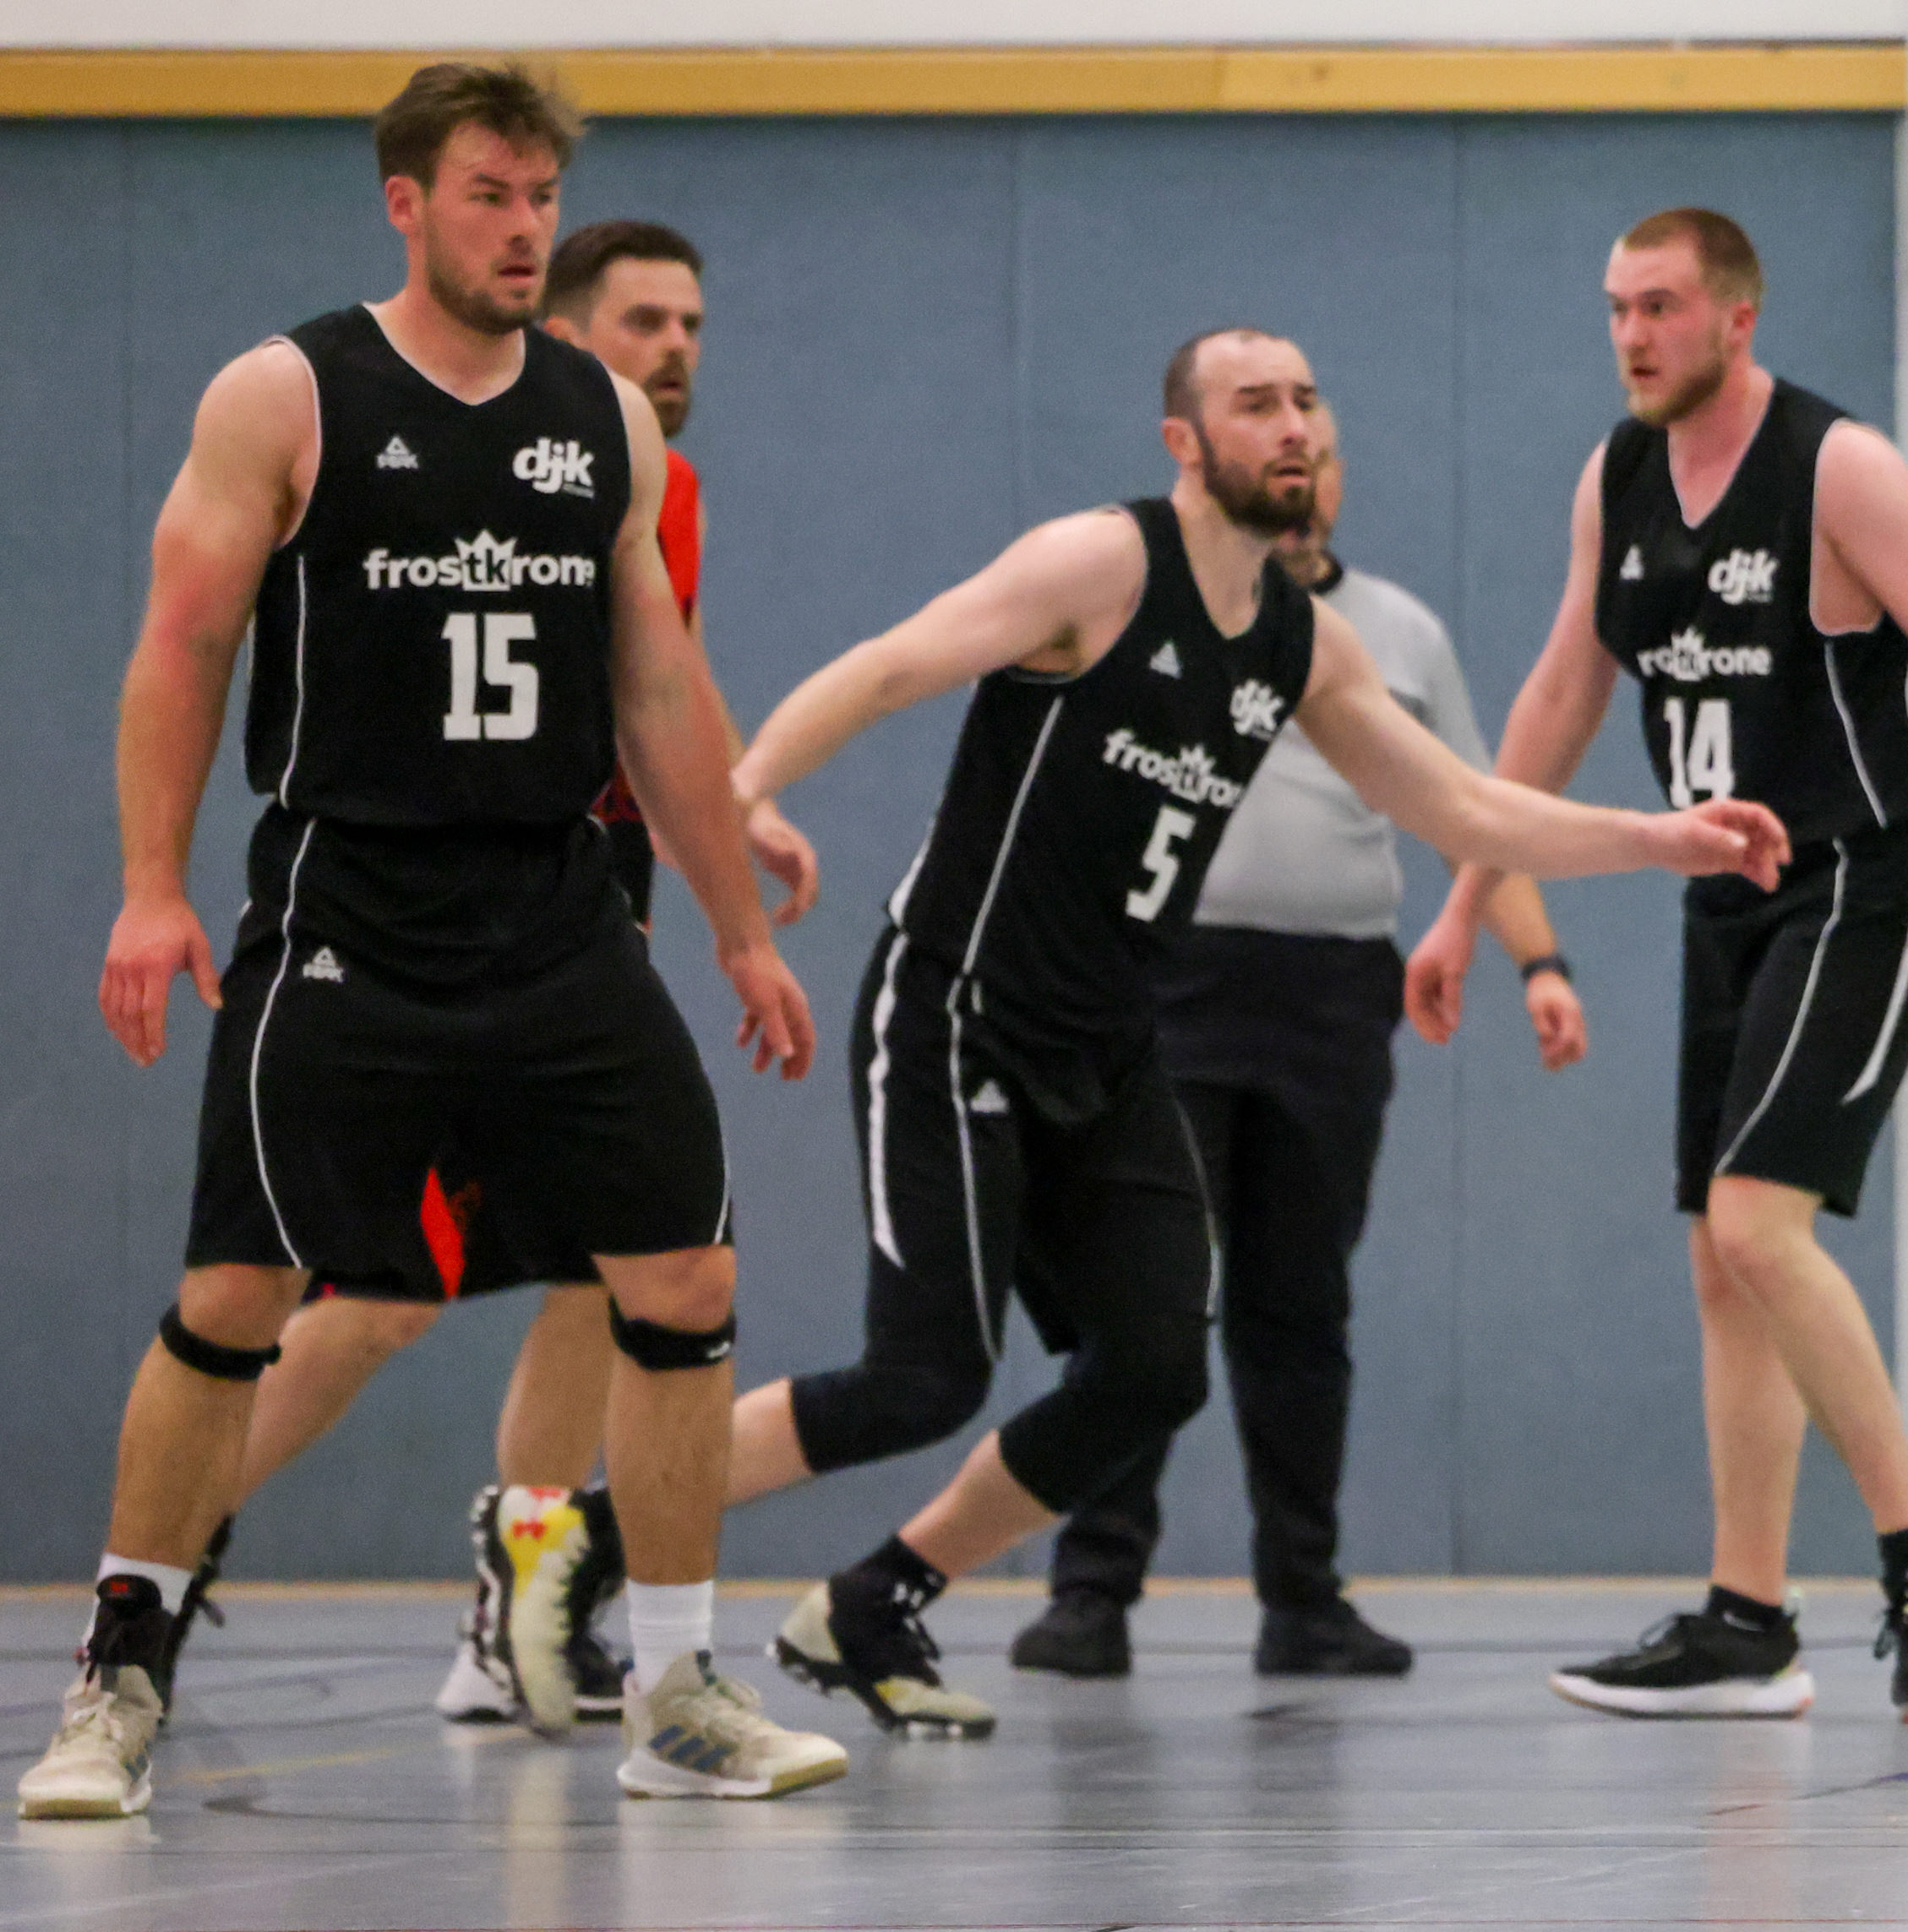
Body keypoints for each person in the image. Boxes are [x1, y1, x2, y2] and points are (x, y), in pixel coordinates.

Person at [709, 325, 1784, 1741]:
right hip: (962, 1011)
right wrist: (751, 788)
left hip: (1111, 1045)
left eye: (1306, 402)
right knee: (922, 1379)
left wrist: (1657, 837)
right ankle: (582, 1529)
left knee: (1153, 1369)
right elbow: (888, 668)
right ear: (1184, 441)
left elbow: (1462, 807)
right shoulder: (1098, 564)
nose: (1292, 426)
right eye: (1255, 403)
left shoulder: (1303, 642)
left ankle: (874, 1599)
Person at [20, 63, 841, 1820]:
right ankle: (119, 1678)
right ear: (406, 201)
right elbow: (183, 643)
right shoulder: (288, 392)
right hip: (350, 910)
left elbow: (657, 691)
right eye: (490, 194)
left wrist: (736, 929)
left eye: (542, 197)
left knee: (683, 1279)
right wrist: (152, 883)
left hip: (557, 913)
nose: (523, 227)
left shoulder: (601, 418)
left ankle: (678, 1690)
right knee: (241, 1295)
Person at [199, 217, 809, 1741]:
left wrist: (733, 811)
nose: (677, 349)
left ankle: (515, 1606)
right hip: (423, 918)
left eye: (693, 325)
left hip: (584, 909)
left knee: (617, 1270)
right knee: (378, 1295)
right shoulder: (426, 448)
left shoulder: (652, 482)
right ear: (564, 336)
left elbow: (659, 681)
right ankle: (160, 1552)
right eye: (646, 321)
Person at [1459, 209, 1908, 1724]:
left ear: (1735, 318)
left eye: (1659, 306)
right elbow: (1564, 685)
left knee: (1761, 1227)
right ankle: (1747, 1620)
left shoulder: (1836, 468)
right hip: (1725, 894)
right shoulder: (1618, 475)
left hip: (1859, 876)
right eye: (1615, 307)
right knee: (1721, 1257)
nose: (1631, 335)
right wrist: (1467, 898)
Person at [1008, 439, 1583, 1682]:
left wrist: (1540, 962)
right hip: (1171, 989)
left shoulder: (1400, 633)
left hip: (1330, 1005)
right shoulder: (1166, 614)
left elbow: (1476, 811)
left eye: (1319, 461)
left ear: (1337, 487)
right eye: (1278, 457)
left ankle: (1305, 1598)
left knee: (1301, 1307)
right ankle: (1091, 1590)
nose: (1302, 483)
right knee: (1150, 1294)